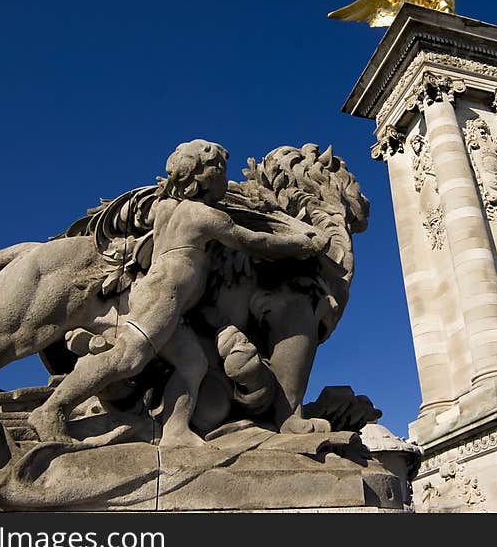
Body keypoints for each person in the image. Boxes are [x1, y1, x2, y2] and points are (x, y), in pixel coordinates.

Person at [28, 140, 326, 443]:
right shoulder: (203, 216)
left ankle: (175, 430)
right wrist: (305, 244)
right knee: (128, 358)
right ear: (208, 176)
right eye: (223, 172)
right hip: (163, 299)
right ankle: (53, 409)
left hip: (168, 301)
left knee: (193, 364)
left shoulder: (167, 208)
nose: (227, 180)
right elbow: (254, 242)